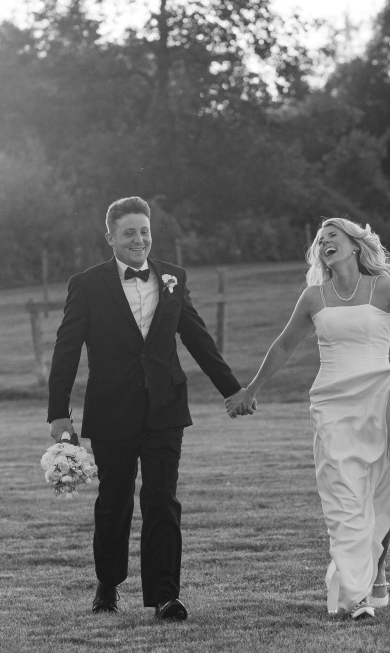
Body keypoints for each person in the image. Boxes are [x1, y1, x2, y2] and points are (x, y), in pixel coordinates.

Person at [224, 218, 390, 620]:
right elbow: (284, 346)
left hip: (380, 399)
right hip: (332, 404)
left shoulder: (383, 287)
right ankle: (355, 596)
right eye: (320, 240)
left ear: (355, 245)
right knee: (344, 497)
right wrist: (251, 389)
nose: (325, 242)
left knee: (376, 493)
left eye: (333, 236)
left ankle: (376, 572)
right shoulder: (313, 297)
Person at [45, 196, 252, 620]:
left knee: (162, 499)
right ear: (111, 238)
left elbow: (197, 338)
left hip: (165, 408)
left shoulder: (174, 277)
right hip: (111, 410)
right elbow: (66, 350)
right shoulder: (86, 284)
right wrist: (58, 412)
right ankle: (108, 583)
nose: (138, 239)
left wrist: (232, 389)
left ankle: (164, 596)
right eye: (129, 233)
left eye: (144, 231)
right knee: (114, 500)